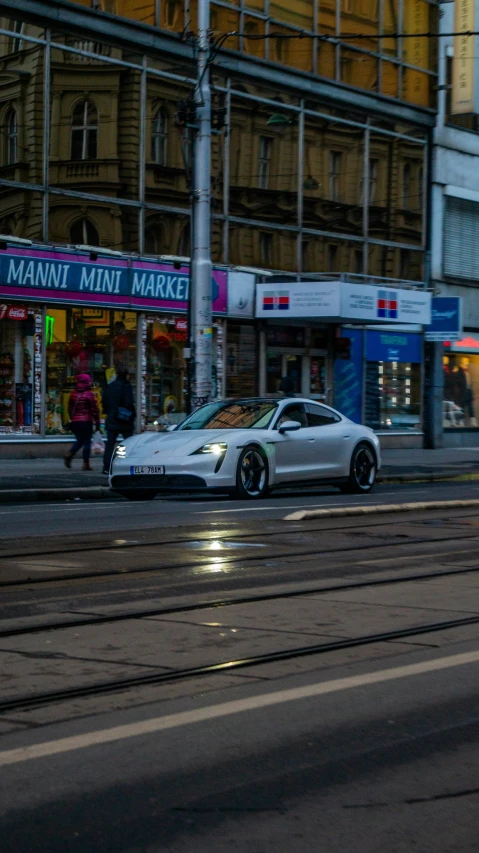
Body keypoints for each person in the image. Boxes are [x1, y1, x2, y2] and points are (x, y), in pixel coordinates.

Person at [102, 366, 136, 474]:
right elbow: (128, 403)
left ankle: (107, 467)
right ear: (126, 375)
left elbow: (104, 402)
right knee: (128, 443)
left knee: (110, 444)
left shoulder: (110, 386)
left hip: (112, 418)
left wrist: (109, 412)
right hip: (124, 419)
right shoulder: (127, 386)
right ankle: (126, 463)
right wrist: (132, 414)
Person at [64, 374, 100, 471]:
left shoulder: (73, 393)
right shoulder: (89, 394)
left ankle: (70, 453)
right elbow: (94, 410)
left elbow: (70, 408)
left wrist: (73, 418)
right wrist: (97, 422)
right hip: (87, 421)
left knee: (80, 440)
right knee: (87, 441)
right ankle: (86, 464)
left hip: (76, 421)